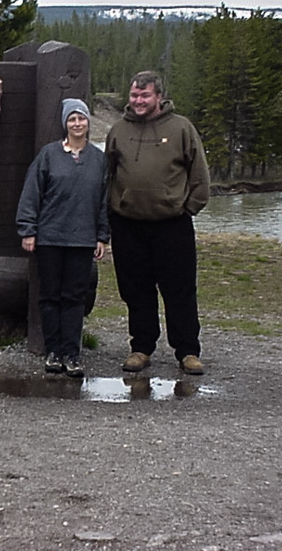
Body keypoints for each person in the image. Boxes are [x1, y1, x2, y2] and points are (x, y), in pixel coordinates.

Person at [105, 71, 211, 375]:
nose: (138, 101)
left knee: (179, 291)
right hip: (128, 225)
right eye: (134, 95)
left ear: (159, 97)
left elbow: (199, 175)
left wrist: (188, 208)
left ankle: (187, 351)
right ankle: (141, 348)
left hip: (172, 225)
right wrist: (111, 212)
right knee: (136, 291)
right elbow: (108, 175)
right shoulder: (117, 131)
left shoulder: (181, 129)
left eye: (145, 95)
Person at [16, 98, 109, 378]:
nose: (77, 123)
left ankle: (73, 353)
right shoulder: (48, 155)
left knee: (75, 298)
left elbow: (105, 200)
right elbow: (31, 193)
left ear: (88, 123)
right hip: (50, 238)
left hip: (82, 240)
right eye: (72, 119)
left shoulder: (98, 159)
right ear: (65, 124)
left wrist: (102, 236)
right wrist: (28, 229)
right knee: (49, 297)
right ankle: (53, 351)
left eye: (81, 118)